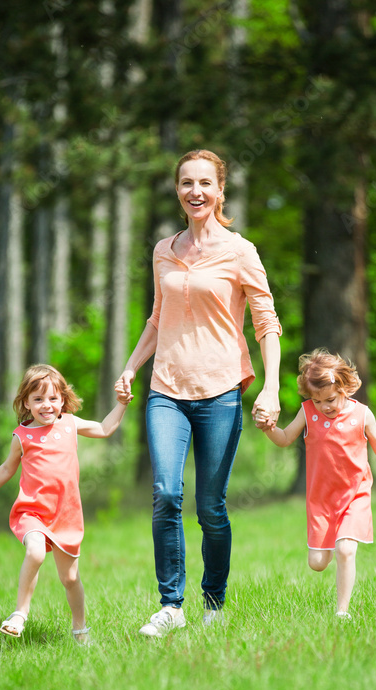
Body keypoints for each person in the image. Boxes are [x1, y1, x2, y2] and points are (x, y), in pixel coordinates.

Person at [114, 148, 283, 637]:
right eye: (187, 183)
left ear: (220, 191)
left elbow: (266, 323)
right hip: (166, 388)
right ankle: (171, 605)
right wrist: (130, 367)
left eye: (205, 183)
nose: (196, 191)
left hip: (222, 390)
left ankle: (213, 604)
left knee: (210, 505)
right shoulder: (163, 250)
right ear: (177, 190)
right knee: (166, 494)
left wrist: (270, 388)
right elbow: (157, 318)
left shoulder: (240, 251)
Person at [0, 364, 130, 643]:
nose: (46, 405)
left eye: (53, 398)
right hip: (32, 512)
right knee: (36, 552)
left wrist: (122, 404)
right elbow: (6, 469)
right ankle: (19, 614)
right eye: (38, 399)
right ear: (26, 402)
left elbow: (104, 428)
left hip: (66, 516)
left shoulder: (69, 424)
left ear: (63, 399)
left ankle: (80, 629)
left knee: (70, 579)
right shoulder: (22, 435)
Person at [255, 348, 376, 619]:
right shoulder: (308, 413)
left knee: (346, 549)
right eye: (317, 401)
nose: (325, 406)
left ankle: (342, 613)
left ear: (344, 387)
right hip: (321, 500)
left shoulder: (362, 414)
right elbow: (285, 439)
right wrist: (268, 428)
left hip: (355, 494)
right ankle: (331, 540)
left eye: (330, 399)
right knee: (318, 563)